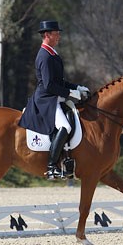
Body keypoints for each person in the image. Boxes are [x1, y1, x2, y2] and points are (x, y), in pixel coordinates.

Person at [18, 20, 90, 179]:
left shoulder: (52, 53)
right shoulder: (44, 55)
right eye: (56, 34)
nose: (59, 36)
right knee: (65, 126)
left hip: (55, 96)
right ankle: (51, 166)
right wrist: (70, 93)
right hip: (46, 99)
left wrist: (76, 88)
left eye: (58, 33)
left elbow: (58, 80)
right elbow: (49, 85)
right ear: (47, 35)